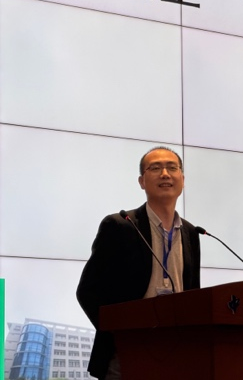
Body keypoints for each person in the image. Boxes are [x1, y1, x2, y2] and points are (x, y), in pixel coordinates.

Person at [77, 146, 201, 379]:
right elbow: (87, 291)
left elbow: (193, 293)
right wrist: (118, 335)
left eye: (172, 168)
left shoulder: (192, 233)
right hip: (126, 354)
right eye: (155, 168)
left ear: (182, 180)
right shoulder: (120, 225)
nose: (165, 174)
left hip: (176, 354)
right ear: (142, 181)